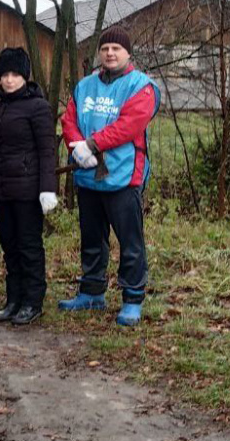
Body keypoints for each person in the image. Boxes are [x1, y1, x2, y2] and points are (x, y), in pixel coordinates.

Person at [59, 26, 160, 327]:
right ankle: (92, 292)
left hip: (124, 175)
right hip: (88, 176)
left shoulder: (142, 86)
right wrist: (77, 145)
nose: (110, 53)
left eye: (116, 48)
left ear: (128, 53)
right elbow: (69, 118)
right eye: (105, 49)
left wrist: (92, 144)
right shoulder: (85, 86)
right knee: (92, 237)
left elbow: (130, 124)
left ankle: (132, 298)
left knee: (130, 241)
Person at [0, 48, 58, 325]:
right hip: (2, 191)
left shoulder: (37, 107)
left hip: (28, 191)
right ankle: (13, 299)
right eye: (4, 74)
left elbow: (47, 150)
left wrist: (47, 188)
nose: (9, 80)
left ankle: (32, 301)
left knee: (29, 247)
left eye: (15, 74)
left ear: (24, 76)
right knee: (9, 247)